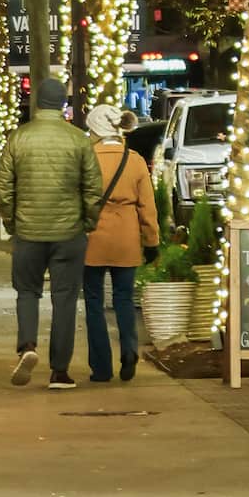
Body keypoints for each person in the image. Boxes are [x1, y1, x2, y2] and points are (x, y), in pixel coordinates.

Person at [0, 78, 102, 390]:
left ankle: (27, 346)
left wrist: (12, 222)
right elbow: (93, 188)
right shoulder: (78, 140)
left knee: (27, 292)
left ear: (38, 103)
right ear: (63, 105)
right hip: (69, 232)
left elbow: (3, 187)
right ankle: (60, 371)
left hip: (28, 232)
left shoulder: (19, 138)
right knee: (65, 299)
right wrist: (87, 222)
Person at [82, 105, 159, 383]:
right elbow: (147, 207)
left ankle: (101, 367)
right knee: (124, 298)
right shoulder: (135, 161)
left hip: (93, 237)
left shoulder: (87, 158)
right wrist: (151, 241)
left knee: (93, 301)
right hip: (126, 235)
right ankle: (129, 350)